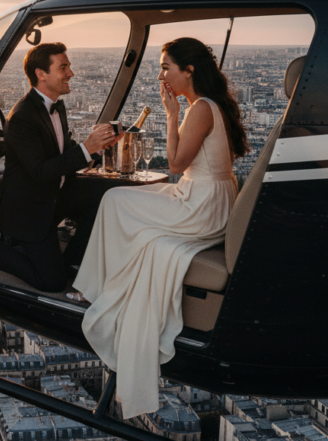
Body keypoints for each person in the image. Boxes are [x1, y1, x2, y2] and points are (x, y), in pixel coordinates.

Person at [71, 37, 249, 418]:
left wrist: (170, 114)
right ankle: (105, 286)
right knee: (126, 203)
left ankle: (98, 289)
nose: (161, 74)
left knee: (115, 200)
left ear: (189, 71)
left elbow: (177, 165)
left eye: (166, 66)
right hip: (212, 199)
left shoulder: (199, 109)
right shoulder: (212, 106)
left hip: (198, 205)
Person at [0, 42, 120, 292]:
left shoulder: (57, 105)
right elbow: (40, 172)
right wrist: (87, 148)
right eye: (63, 67)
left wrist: (100, 147)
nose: (71, 73)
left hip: (56, 194)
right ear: (41, 74)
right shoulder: (23, 115)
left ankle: (71, 262)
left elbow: (66, 152)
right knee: (52, 283)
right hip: (30, 208)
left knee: (106, 194)